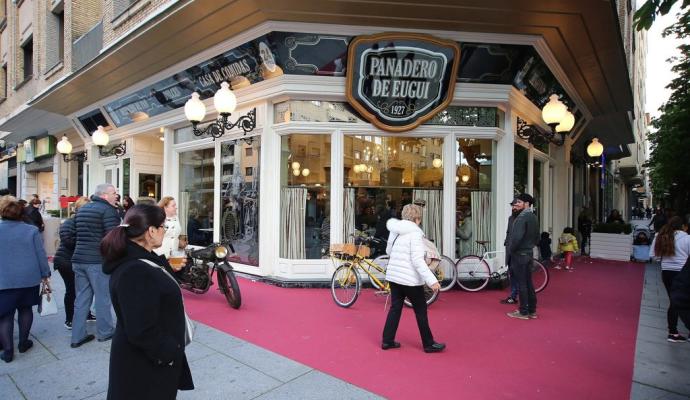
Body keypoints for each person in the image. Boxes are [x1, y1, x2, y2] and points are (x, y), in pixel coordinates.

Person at [101, 205, 194, 399]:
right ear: (151, 231)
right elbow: (141, 328)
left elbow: (159, 289)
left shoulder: (142, 259)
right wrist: (169, 353)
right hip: (144, 368)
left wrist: (175, 271)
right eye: (163, 227)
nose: (165, 231)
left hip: (148, 361)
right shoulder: (135, 270)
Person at [382, 204, 445, 353]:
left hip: (395, 275)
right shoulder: (415, 234)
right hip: (410, 278)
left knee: (395, 308)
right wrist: (432, 280)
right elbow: (417, 260)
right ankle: (428, 344)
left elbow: (388, 251)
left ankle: (387, 340)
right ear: (417, 219)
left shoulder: (395, 231)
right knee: (421, 310)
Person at [69, 184, 121, 348]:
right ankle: (105, 332)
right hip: (97, 262)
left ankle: (77, 336)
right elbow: (113, 239)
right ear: (104, 195)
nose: (116, 196)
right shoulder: (108, 211)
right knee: (102, 297)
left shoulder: (83, 209)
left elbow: (73, 233)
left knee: (82, 299)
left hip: (79, 259)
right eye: (114, 193)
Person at [0, 198, 51, 362]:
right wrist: (45, 273)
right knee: (25, 309)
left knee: (5, 316)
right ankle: (23, 342)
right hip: (28, 277)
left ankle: (8, 351)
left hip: (4, 279)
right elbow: (40, 254)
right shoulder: (31, 230)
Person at [649, 216, 690, 342]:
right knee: (682, 301)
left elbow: (653, 256)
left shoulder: (660, 236)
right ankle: (675, 332)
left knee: (673, 301)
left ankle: (673, 332)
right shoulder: (687, 238)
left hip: (666, 272)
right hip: (683, 272)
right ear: (683, 226)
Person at [53, 196, 91, 330]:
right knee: (72, 290)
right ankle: (69, 319)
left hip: (77, 259)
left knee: (84, 289)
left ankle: (86, 313)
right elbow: (67, 240)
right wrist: (86, 241)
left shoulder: (86, 222)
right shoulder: (69, 222)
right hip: (66, 261)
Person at [506, 193, 539, 320]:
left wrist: (512, 249)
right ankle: (532, 310)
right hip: (528, 253)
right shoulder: (533, 217)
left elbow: (516, 238)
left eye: (519, 202)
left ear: (526, 204)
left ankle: (523, 311)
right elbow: (537, 238)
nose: (516, 204)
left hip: (519, 254)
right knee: (528, 283)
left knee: (522, 284)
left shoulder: (521, 218)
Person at [500, 199, 520, 305]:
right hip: (510, 249)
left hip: (519, 250)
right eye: (513, 206)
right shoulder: (510, 218)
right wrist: (506, 241)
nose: (514, 208)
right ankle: (513, 295)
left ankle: (521, 297)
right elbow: (508, 232)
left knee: (519, 274)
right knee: (511, 272)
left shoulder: (524, 218)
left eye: (516, 206)